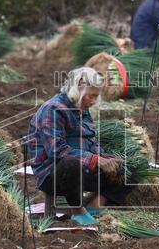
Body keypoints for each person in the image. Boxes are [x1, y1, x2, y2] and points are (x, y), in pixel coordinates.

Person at [27, 67, 133, 226]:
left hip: (84, 171)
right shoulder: (53, 110)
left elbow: (91, 143)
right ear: (77, 91)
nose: (93, 101)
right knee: (71, 164)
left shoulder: (82, 109)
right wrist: (95, 160)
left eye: (96, 96)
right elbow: (57, 151)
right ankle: (78, 212)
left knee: (131, 167)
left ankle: (93, 206)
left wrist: (107, 158)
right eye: (91, 96)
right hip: (54, 174)